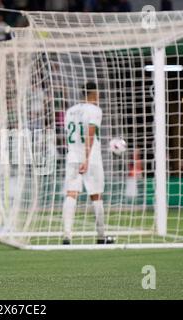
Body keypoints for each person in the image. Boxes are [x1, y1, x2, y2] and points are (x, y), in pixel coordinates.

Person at [61, 82, 114, 245]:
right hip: (90, 158)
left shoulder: (70, 111)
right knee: (96, 195)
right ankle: (101, 235)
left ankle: (67, 235)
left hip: (72, 157)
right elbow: (90, 134)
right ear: (92, 93)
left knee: (71, 194)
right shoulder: (95, 110)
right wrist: (86, 159)